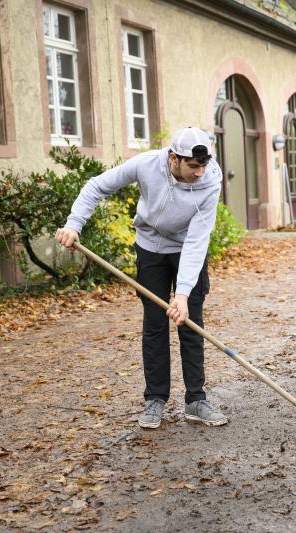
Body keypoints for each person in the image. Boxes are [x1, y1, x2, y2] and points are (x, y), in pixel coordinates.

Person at [55, 127, 229, 430]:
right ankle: (155, 399)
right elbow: (97, 186)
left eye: (203, 165)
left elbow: (197, 240)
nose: (199, 172)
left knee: (191, 322)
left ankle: (196, 400)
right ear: (174, 158)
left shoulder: (210, 183)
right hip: (151, 247)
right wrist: (74, 224)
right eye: (192, 166)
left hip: (188, 248)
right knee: (154, 322)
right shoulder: (146, 164)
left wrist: (183, 294)